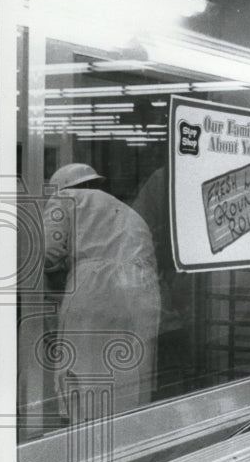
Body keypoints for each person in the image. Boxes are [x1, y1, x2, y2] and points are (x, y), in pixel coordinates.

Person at [43, 163, 161, 420]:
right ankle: (128, 438)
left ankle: (86, 435)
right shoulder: (126, 210)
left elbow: (47, 253)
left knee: (85, 369)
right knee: (129, 372)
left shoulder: (65, 199)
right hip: (143, 289)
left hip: (98, 288)